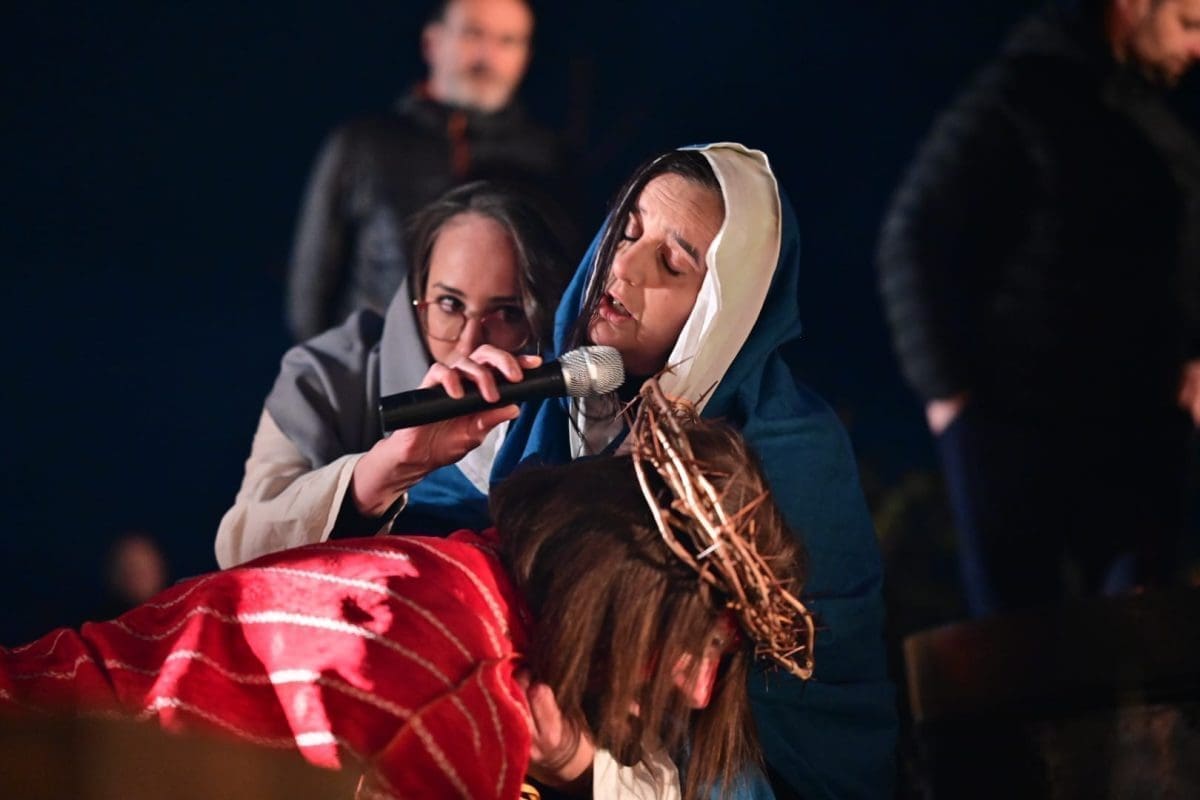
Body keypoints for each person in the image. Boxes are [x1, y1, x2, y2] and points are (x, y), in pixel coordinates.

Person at [382, 143, 895, 798]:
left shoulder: (789, 461)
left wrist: (589, 766)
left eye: (672, 263)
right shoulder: (547, 401)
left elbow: (783, 725)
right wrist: (402, 464)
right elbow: (414, 559)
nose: (623, 267)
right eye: (625, 234)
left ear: (725, 312)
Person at [3, 396, 810, 800]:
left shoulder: (469, 580)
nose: (698, 690)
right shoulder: (461, 675)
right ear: (618, 578)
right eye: (703, 642)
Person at [877, 0, 1200, 618]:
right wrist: (950, 398)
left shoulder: (1153, 119)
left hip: (1138, 441)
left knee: (1142, 641)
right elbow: (913, 234)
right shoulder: (1022, 96)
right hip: (1023, 435)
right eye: (1188, 24)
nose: (1197, 47)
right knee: (1029, 650)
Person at [217, 181, 567, 568]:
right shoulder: (324, 375)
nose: (469, 343)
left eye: (507, 313)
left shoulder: (553, 397)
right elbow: (239, 547)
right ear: (416, 297)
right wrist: (386, 469)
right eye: (450, 304)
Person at [285, 0, 572, 341]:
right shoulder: (365, 144)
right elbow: (311, 288)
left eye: (508, 40)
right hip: (372, 361)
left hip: (498, 363)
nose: (488, 55)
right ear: (432, 42)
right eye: (473, 33)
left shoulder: (549, 159)